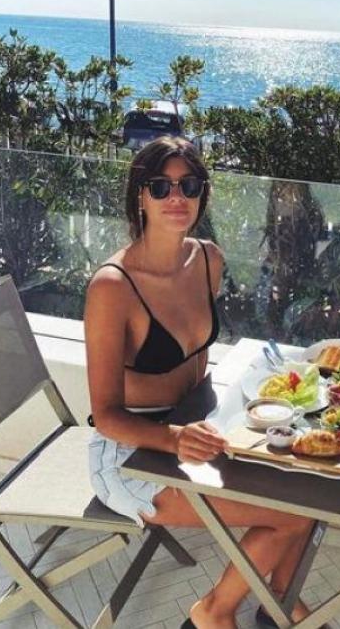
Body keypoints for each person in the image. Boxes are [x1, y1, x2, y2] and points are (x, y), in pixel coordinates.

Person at [84, 136, 316, 629]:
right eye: (161, 186)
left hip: (195, 422)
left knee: (307, 488)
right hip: (130, 452)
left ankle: (278, 601)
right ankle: (214, 612)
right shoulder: (113, 286)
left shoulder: (208, 258)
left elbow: (197, 362)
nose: (177, 197)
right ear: (139, 196)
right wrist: (174, 438)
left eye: (189, 185)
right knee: (293, 515)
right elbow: (105, 416)